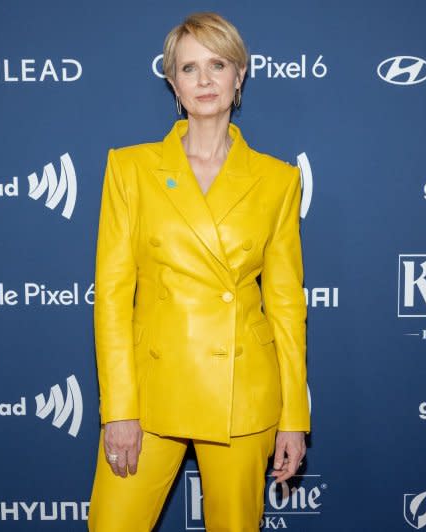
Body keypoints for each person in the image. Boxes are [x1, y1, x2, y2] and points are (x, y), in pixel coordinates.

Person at [88, 12, 309, 531]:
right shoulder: (130, 169)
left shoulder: (278, 180)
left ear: (240, 75)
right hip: (150, 392)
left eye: (218, 64)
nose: (205, 80)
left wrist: (294, 417)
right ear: (172, 81)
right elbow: (114, 300)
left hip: (242, 394)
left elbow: (285, 306)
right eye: (189, 68)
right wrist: (118, 409)